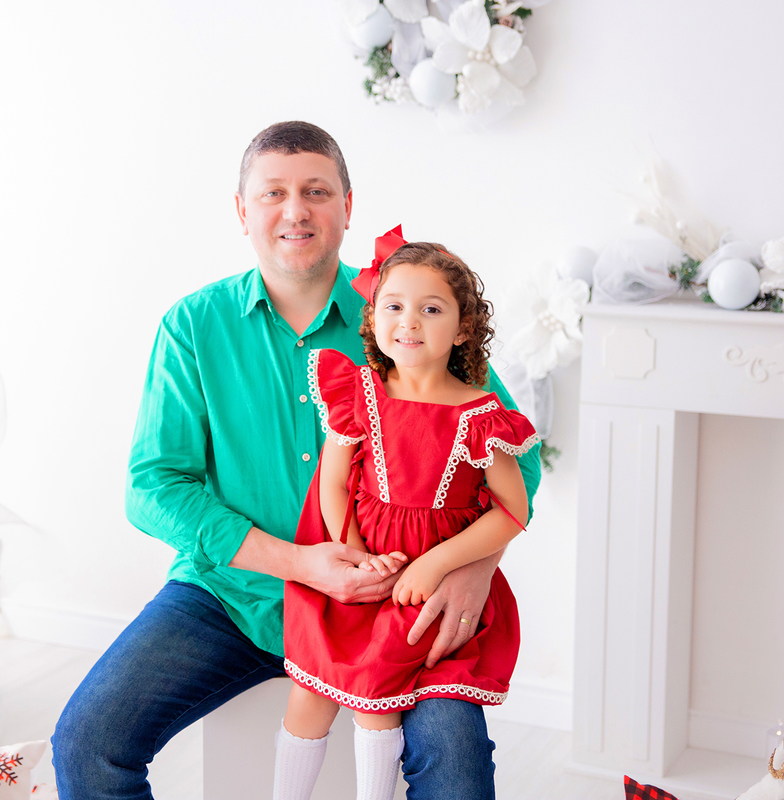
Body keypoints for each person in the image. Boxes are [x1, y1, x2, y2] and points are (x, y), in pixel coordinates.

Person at [51, 121, 541, 800]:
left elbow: (515, 452)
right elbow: (153, 485)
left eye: (316, 191)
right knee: (86, 743)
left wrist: (472, 564)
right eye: (273, 193)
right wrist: (297, 563)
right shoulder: (194, 326)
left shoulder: (407, 310)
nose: (295, 210)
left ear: (347, 206)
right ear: (241, 210)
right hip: (235, 598)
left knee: (455, 770)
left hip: (398, 607)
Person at [274, 230, 538, 800]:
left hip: (428, 587)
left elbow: (513, 510)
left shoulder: (482, 413)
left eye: (431, 309)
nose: (409, 322)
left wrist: (436, 563)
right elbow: (336, 484)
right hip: (362, 570)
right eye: (394, 306)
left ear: (463, 328)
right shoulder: (358, 392)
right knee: (309, 694)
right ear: (373, 317)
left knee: (376, 700)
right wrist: (356, 554)